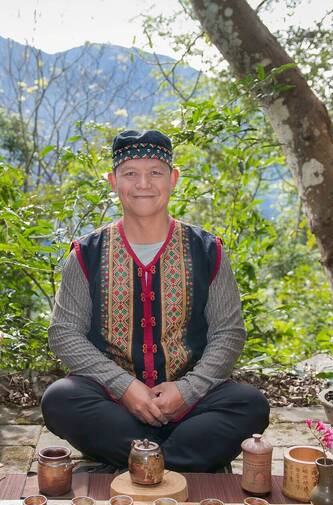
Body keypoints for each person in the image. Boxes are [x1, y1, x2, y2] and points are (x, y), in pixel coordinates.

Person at [41, 129, 269, 473]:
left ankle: (140, 459)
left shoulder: (207, 251)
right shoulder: (86, 254)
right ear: (113, 181)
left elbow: (228, 332)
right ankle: (176, 460)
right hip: (115, 404)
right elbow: (64, 333)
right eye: (130, 173)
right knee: (59, 399)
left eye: (155, 172)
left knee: (250, 406)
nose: (143, 184)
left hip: (190, 405)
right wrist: (126, 388)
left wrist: (188, 391)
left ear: (173, 179)